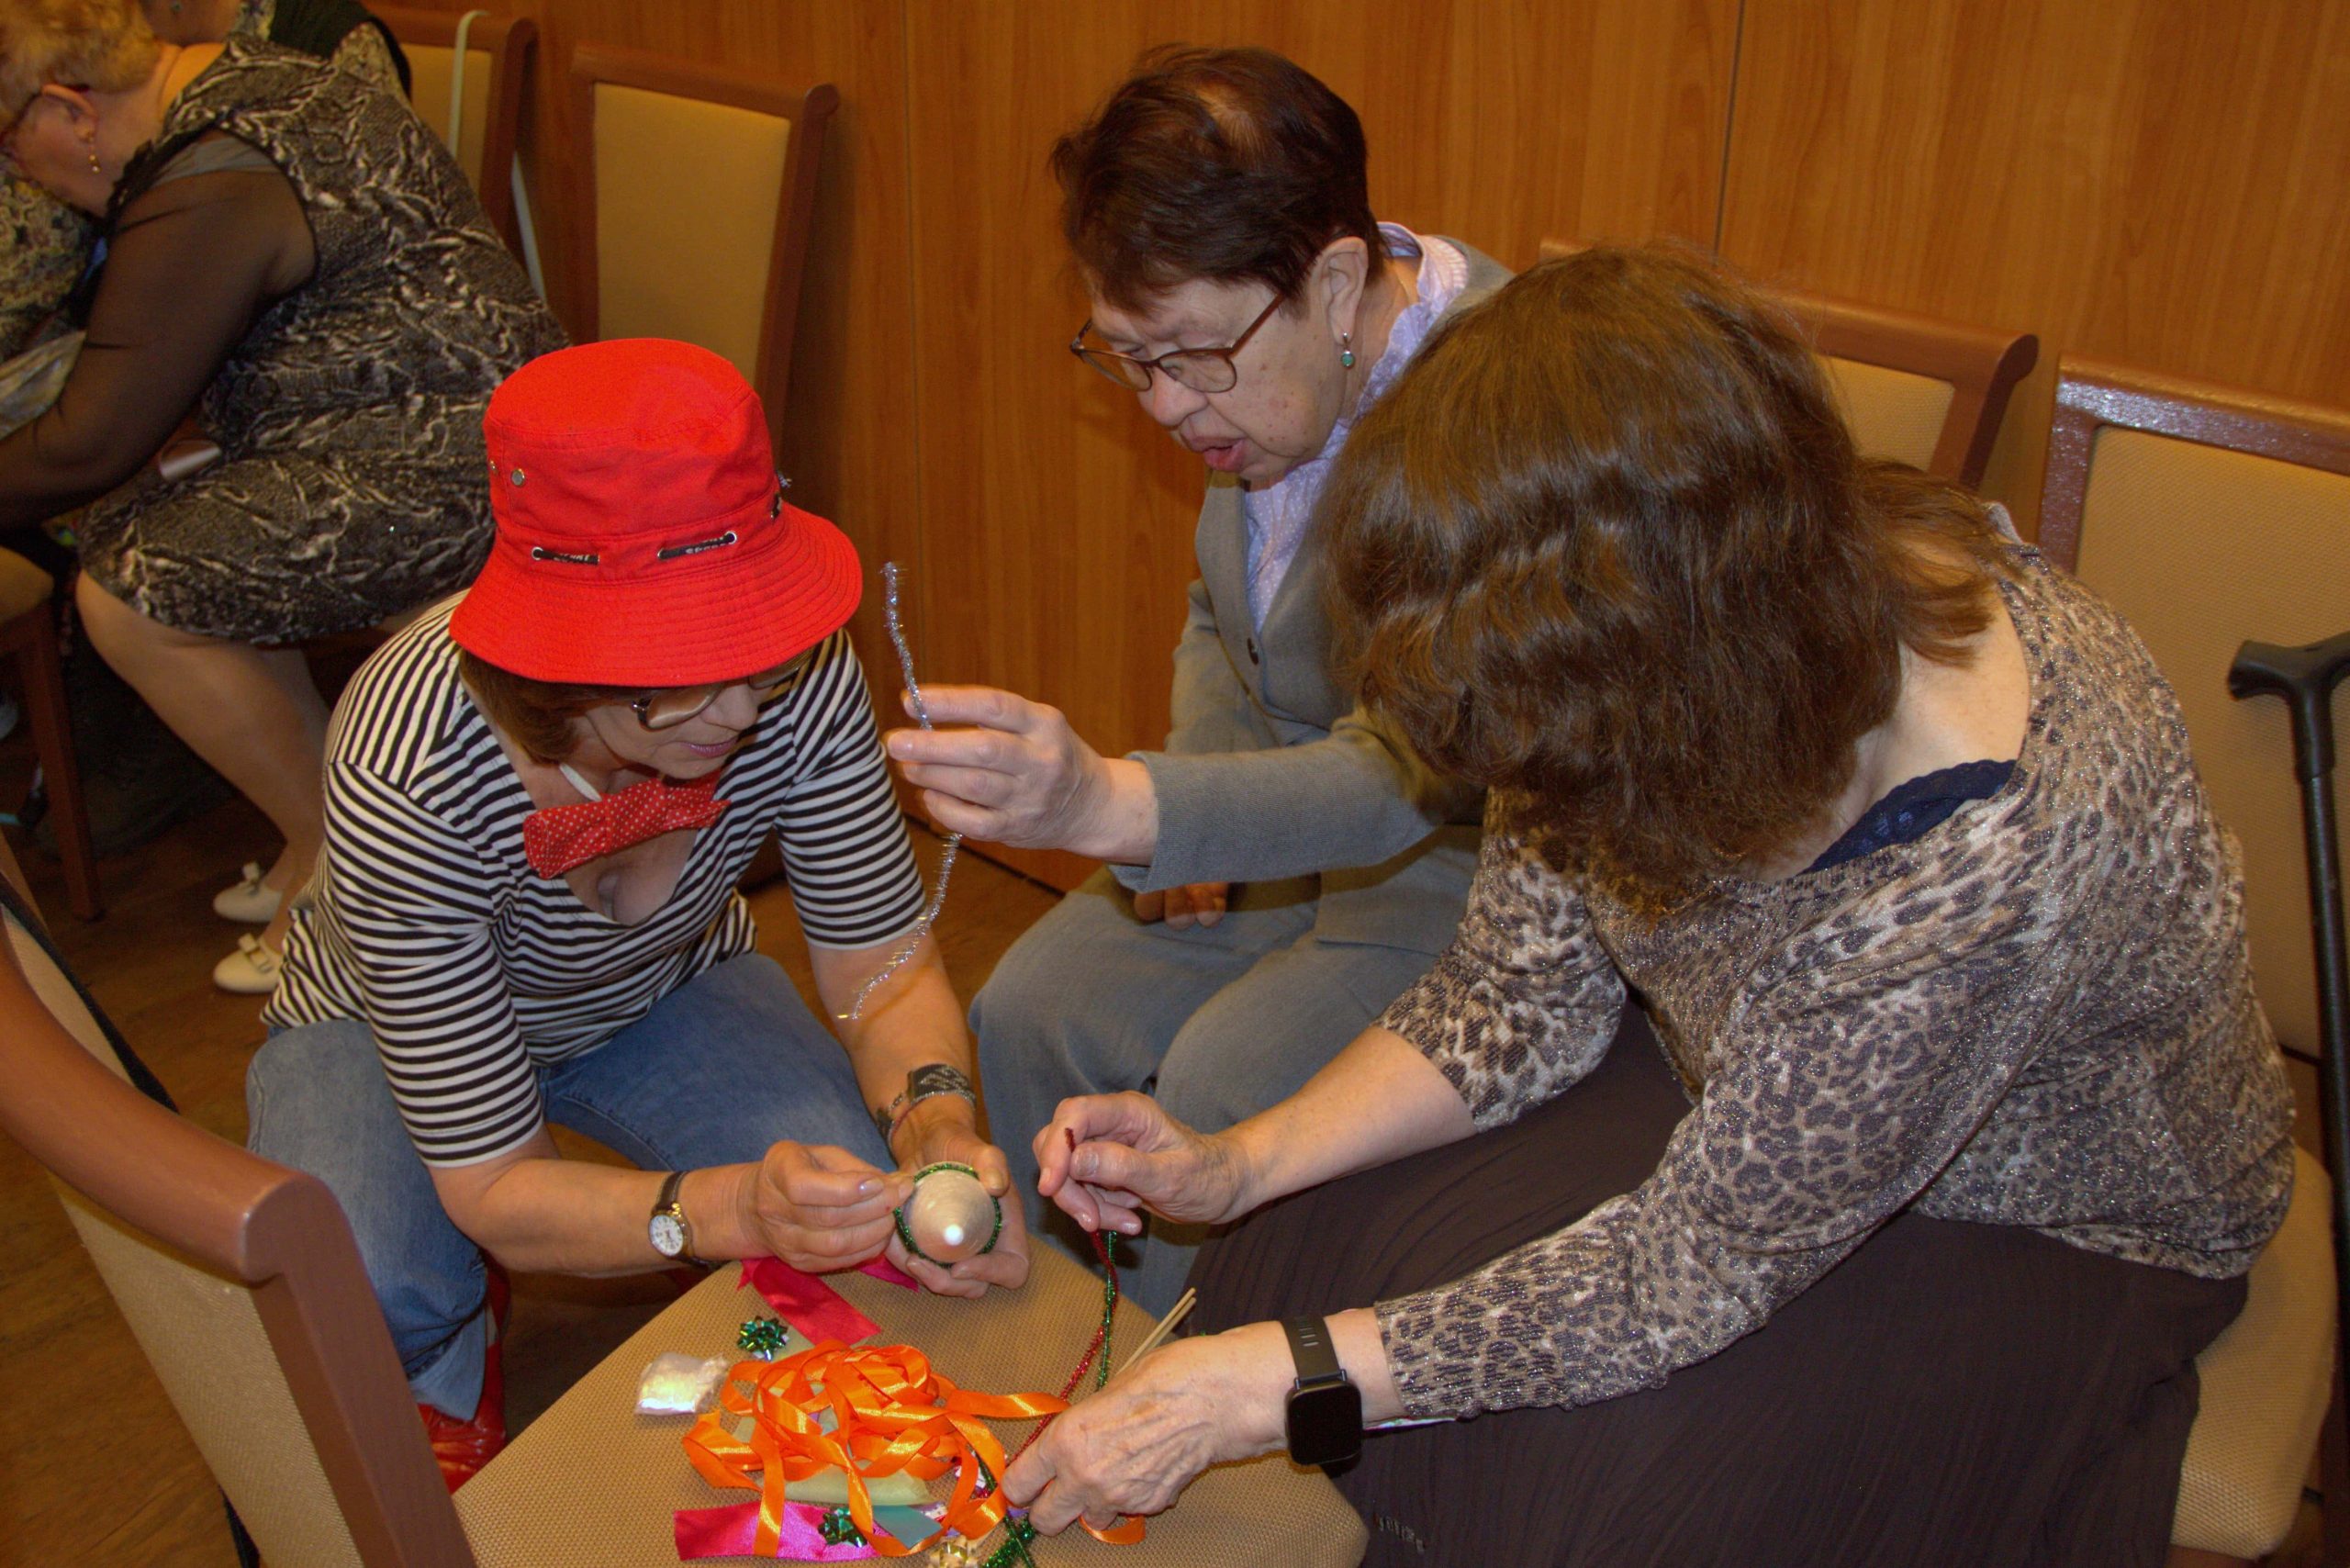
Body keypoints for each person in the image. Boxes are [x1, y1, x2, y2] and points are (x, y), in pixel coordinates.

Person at [1000, 247, 2296, 1567]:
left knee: (1618, 1501)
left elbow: (1679, 1277)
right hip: (1742, 1077)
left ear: (1667, 674)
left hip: (2047, 1212)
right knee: (1301, 1242)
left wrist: (1257, 1388)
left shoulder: (1991, 861)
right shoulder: (1667, 628)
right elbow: (1512, 998)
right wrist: (1236, 1165)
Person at [248, 338, 1030, 1489]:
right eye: (681, 672)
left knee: (860, 1211)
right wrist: (724, 1209)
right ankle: (446, 1344)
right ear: (553, 662)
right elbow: (495, 1183)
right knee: (364, 1286)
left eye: (760, 658)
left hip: (665, 984)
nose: (741, 710)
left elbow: (886, 968)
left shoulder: (796, 673)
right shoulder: (411, 764)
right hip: (376, 1026)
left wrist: (938, 1124)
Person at [885, 46, 1511, 1310]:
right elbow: (1225, 619)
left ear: (1336, 282)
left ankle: (1165, 1389)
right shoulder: (1276, 368)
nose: (1166, 407)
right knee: (1031, 1008)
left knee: (1222, 1088)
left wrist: (1127, 808)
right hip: (1287, 819)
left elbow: (1414, 771)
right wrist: (1201, 808)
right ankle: (1025, 1345)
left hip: (1473, 872)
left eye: (1188, 358)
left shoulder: (1503, 413)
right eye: (1129, 357)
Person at [0, 0, 562, 991]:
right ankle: (333, 835)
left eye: (10, 143)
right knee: (142, 527)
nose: (17, 172)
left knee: (129, 591)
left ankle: (346, 866)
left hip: (462, 463)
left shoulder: (216, 170)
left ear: (69, 109)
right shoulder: (236, 81)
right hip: (411, 422)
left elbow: (89, 441)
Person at [0, 0, 407, 360]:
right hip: (132, 348)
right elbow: (28, 270)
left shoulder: (324, 43)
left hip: (307, 355)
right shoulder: (67, 38)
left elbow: (388, 260)